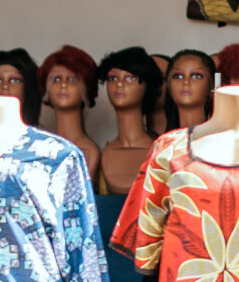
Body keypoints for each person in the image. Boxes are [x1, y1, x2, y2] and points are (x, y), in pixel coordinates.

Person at [94, 46, 162, 194]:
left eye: (130, 78)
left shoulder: (160, 152)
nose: (119, 84)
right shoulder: (100, 155)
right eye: (112, 78)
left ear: (146, 85)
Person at [37, 45, 102, 178]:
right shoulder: (39, 150)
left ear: (86, 89)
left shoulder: (90, 152)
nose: (63, 85)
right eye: (56, 79)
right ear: (46, 90)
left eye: (72, 79)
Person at [161, 48, 215, 133]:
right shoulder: (163, 143)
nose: (186, 82)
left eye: (196, 76)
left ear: (211, 84)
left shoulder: (223, 142)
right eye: (178, 76)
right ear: (168, 83)